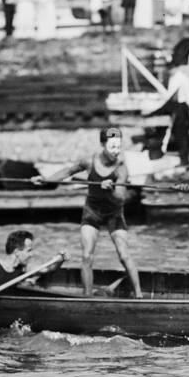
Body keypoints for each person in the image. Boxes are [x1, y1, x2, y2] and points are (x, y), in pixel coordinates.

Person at [58, 127, 143, 298]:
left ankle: (139, 296)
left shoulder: (121, 168)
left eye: (119, 147)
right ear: (103, 144)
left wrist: (110, 190)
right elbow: (67, 172)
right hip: (92, 213)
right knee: (87, 255)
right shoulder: (89, 161)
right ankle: (87, 297)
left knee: (124, 255)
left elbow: (120, 197)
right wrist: (43, 180)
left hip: (114, 214)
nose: (116, 151)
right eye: (112, 147)